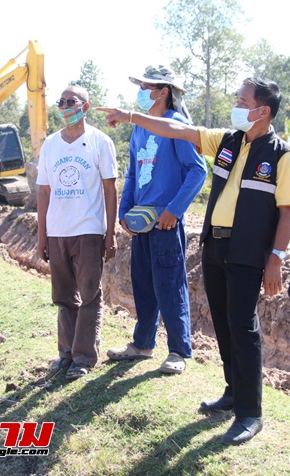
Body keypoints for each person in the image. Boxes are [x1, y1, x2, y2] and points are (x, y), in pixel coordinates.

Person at [99, 77, 290, 444]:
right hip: (215, 246)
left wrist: (276, 259)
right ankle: (231, 392)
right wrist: (131, 117)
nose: (236, 106)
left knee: (243, 326)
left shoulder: (281, 156)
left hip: (247, 251)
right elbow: (176, 127)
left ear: (263, 111)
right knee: (223, 323)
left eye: (242, 101)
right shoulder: (227, 141)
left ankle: (250, 413)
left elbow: (287, 212)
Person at [104, 65, 206, 375]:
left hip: (165, 222)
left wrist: (173, 210)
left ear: (162, 92)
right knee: (144, 282)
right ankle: (143, 345)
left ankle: (178, 351)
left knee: (169, 285)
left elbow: (198, 171)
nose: (139, 92)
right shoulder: (140, 128)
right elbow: (134, 172)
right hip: (141, 221)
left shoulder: (177, 125)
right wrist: (125, 210)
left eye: (144, 86)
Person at [36, 85, 118, 381]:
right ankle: (66, 354)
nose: (65, 106)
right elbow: (44, 191)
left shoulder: (100, 142)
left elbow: (110, 188)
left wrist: (110, 232)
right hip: (57, 231)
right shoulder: (50, 145)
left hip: (89, 231)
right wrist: (41, 235)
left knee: (88, 294)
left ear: (85, 107)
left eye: (71, 101)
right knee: (63, 296)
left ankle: (84, 356)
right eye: (61, 102)